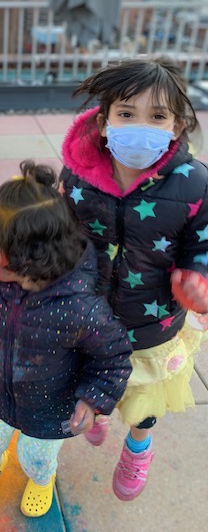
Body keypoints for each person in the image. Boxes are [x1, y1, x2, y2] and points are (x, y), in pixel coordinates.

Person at [0, 161, 132, 517]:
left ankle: (43, 480)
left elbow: (114, 358)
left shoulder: (79, 308)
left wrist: (91, 401)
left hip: (50, 409)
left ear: (26, 259)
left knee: (36, 458)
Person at [60, 57, 208, 501]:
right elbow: (60, 236)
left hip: (152, 324)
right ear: (104, 122)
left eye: (157, 116)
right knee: (90, 380)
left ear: (177, 125)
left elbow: (203, 243)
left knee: (143, 400)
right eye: (127, 113)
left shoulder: (194, 183)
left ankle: (138, 448)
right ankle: (99, 412)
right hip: (89, 316)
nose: (141, 126)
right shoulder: (78, 176)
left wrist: (199, 277)